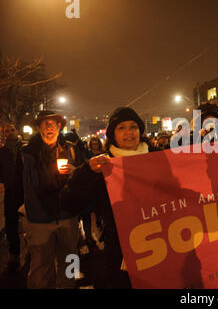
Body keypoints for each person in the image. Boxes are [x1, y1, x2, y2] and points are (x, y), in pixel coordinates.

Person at [60, 107, 150, 288]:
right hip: (120, 248)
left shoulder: (157, 157)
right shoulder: (103, 166)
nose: (129, 132)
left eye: (133, 126)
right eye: (121, 128)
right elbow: (68, 202)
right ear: (113, 135)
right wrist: (87, 172)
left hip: (165, 238)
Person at [17, 111, 81, 288]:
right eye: (44, 124)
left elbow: (84, 178)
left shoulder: (72, 148)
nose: (49, 127)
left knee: (71, 259)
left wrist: (75, 171)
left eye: (53, 123)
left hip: (68, 216)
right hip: (38, 219)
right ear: (38, 128)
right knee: (40, 267)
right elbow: (15, 187)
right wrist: (20, 214)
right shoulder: (25, 153)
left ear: (59, 127)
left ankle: (70, 285)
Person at [0, 123, 24, 272]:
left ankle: (33, 250)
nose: (9, 133)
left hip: (26, 191)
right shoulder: (2, 152)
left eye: (11, 130)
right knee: (11, 223)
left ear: (17, 131)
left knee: (30, 221)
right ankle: (14, 253)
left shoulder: (25, 149)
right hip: (10, 192)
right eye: (6, 131)